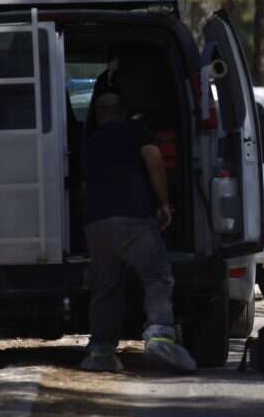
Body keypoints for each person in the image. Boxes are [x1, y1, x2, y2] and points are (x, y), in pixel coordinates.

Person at [79, 92, 196, 373]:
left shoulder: (90, 142)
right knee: (156, 276)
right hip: (133, 219)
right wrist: (164, 204)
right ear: (121, 111)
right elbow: (154, 160)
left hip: (97, 223)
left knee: (105, 287)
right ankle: (159, 338)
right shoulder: (136, 130)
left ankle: (101, 351)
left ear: (99, 113)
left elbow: (82, 189)